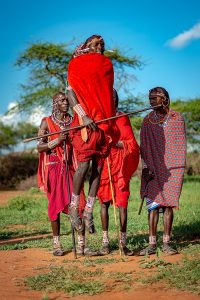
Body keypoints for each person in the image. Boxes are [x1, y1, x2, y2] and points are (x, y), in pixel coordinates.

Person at [67, 34, 116, 234]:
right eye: (97, 44)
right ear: (87, 47)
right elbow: (71, 94)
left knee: (98, 166)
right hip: (84, 122)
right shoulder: (75, 65)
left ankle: (88, 209)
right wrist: (84, 116)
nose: (101, 47)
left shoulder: (106, 65)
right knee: (85, 164)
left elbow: (107, 92)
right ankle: (73, 206)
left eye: (103, 44)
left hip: (102, 122)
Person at [37, 92, 94, 256]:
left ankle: (82, 245)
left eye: (67, 100)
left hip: (72, 166)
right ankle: (57, 245)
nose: (66, 102)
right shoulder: (46, 122)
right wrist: (57, 141)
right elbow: (40, 147)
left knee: (79, 204)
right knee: (55, 205)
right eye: (62, 100)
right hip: (55, 167)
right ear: (54, 103)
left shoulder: (74, 121)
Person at [139, 87, 186, 255]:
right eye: (150, 99)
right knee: (152, 205)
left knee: (168, 206)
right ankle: (152, 245)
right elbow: (143, 148)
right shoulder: (147, 120)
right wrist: (145, 168)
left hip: (172, 170)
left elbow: (180, 146)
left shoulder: (176, 118)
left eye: (154, 98)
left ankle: (166, 243)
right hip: (152, 168)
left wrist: (177, 169)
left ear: (164, 98)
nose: (151, 102)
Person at [97, 89, 140, 255]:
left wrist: (113, 143)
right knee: (104, 202)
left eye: (114, 97)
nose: (112, 100)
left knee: (122, 203)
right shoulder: (99, 118)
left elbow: (131, 144)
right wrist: (104, 144)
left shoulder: (122, 117)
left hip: (121, 165)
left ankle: (123, 243)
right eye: (108, 97)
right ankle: (105, 242)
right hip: (105, 164)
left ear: (117, 99)